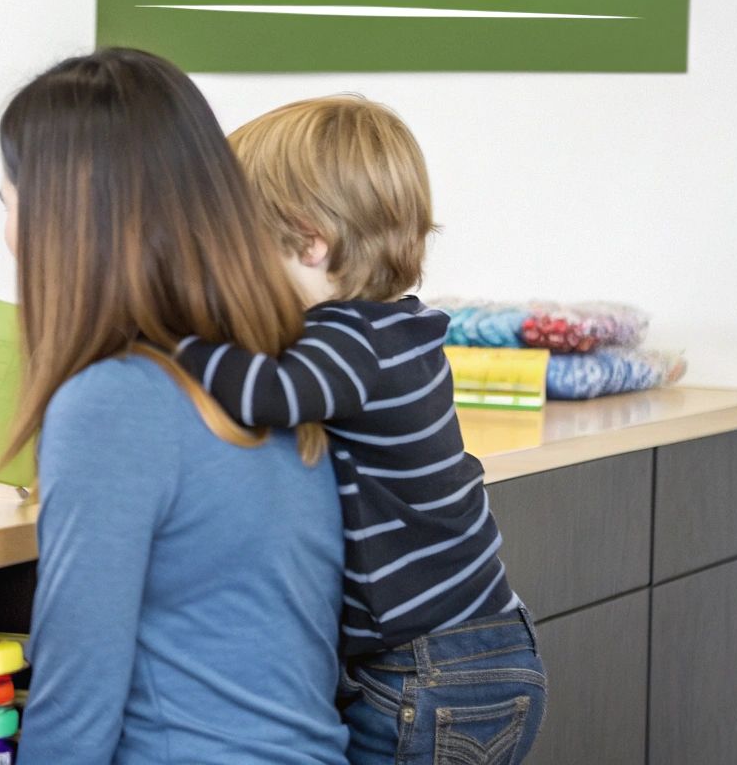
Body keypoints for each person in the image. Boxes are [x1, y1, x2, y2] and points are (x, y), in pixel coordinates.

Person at [0, 48, 349, 764]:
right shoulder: (276, 372)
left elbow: (76, 696)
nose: (8, 234)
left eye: (8, 203)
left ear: (61, 219)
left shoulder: (114, 402)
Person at [175, 95, 547, 763]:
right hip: (471, 650)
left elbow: (267, 392)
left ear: (311, 242)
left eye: (234, 243)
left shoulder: (349, 340)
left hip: (435, 670)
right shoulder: (390, 326)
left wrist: (167, 336)